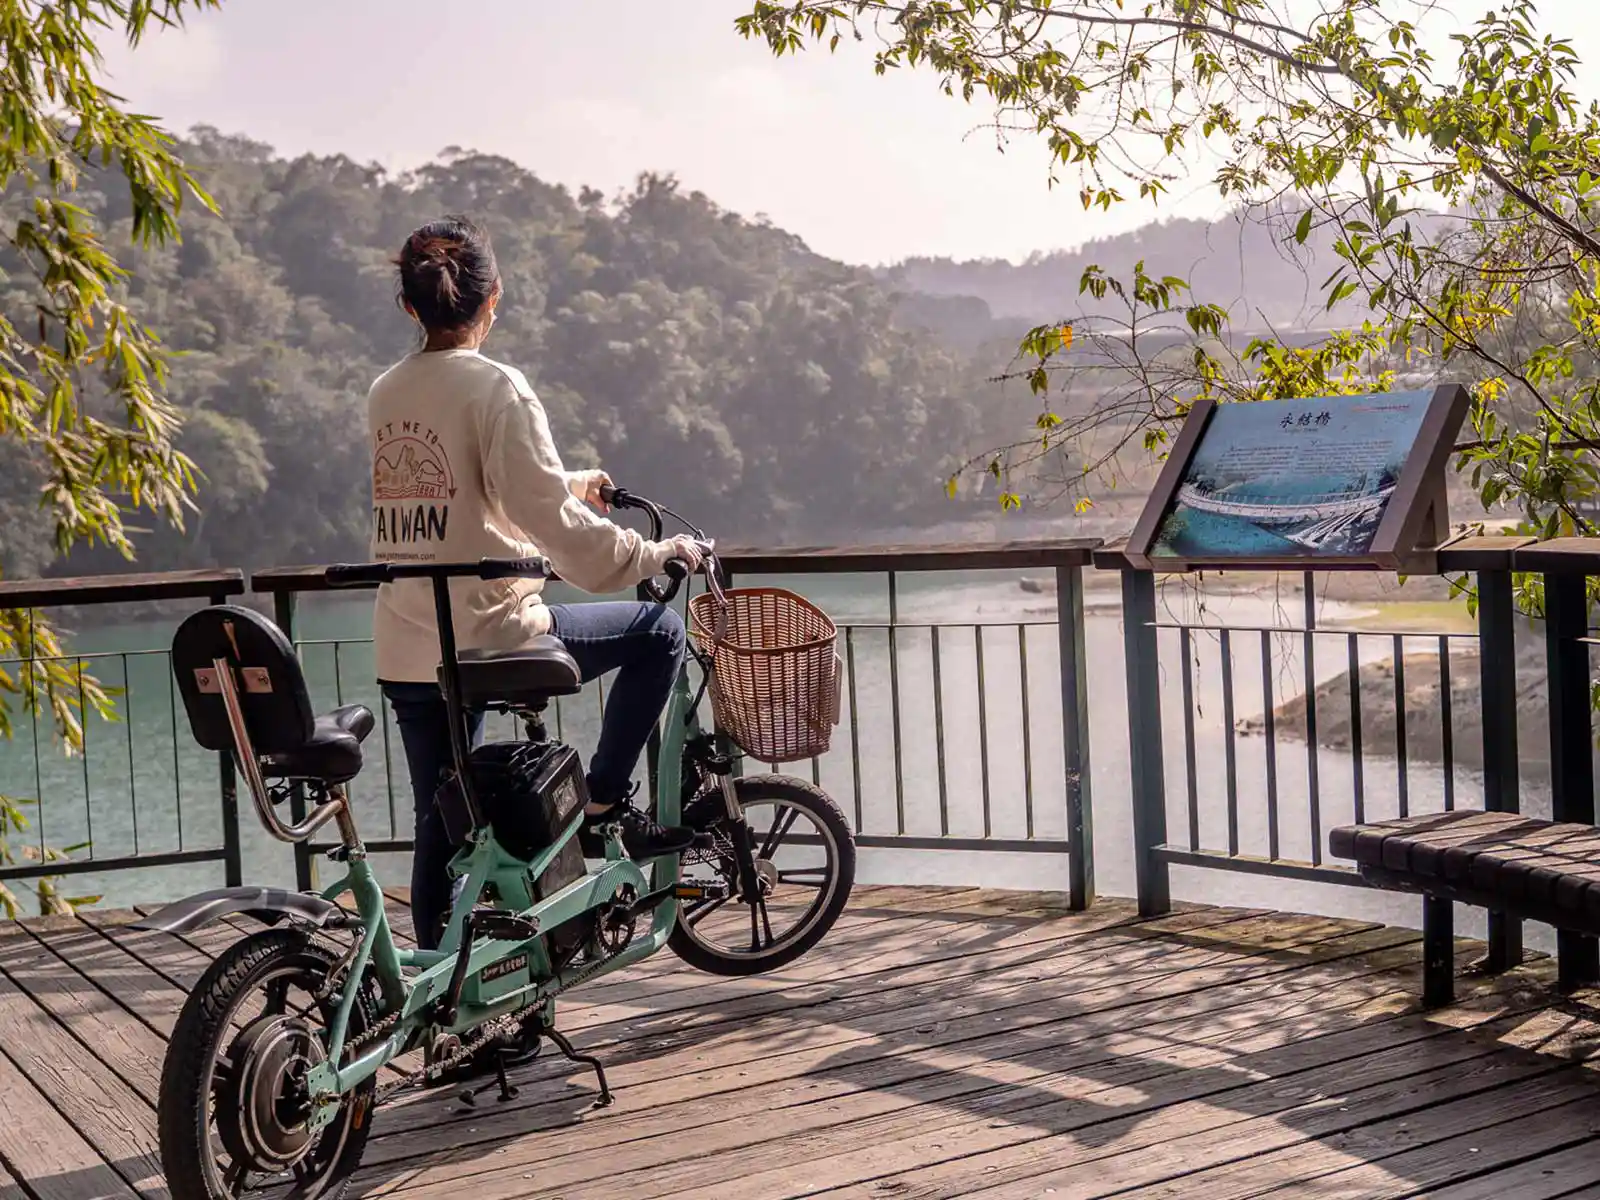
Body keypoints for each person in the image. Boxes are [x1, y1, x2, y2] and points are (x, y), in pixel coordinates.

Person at [370, 214, 702, 949]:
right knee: (660, 633)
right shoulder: (499, 389)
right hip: (490, 633)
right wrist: (653, 555)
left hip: (406, 641)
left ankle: (437, 992)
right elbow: (549, 521)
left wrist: (572, 481)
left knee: (440, 818)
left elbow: (463, 500)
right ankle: (607, 804)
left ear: (409, 306)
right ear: (494, 300)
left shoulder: (387, 392)